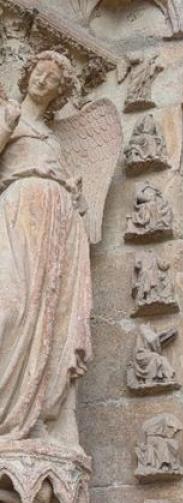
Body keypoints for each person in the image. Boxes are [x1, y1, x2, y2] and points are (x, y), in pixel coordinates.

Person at [0, 50, 88, 448]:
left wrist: (73, 194)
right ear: (27, 73)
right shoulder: (8, 115)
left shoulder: (53, 139)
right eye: (40, 71)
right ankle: (7, 418)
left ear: (59, 92)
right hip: (16, 215)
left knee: (46, 316)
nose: (43, 80)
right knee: (12, 306)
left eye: (53, 79)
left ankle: (33, 414)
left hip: (54, 228)